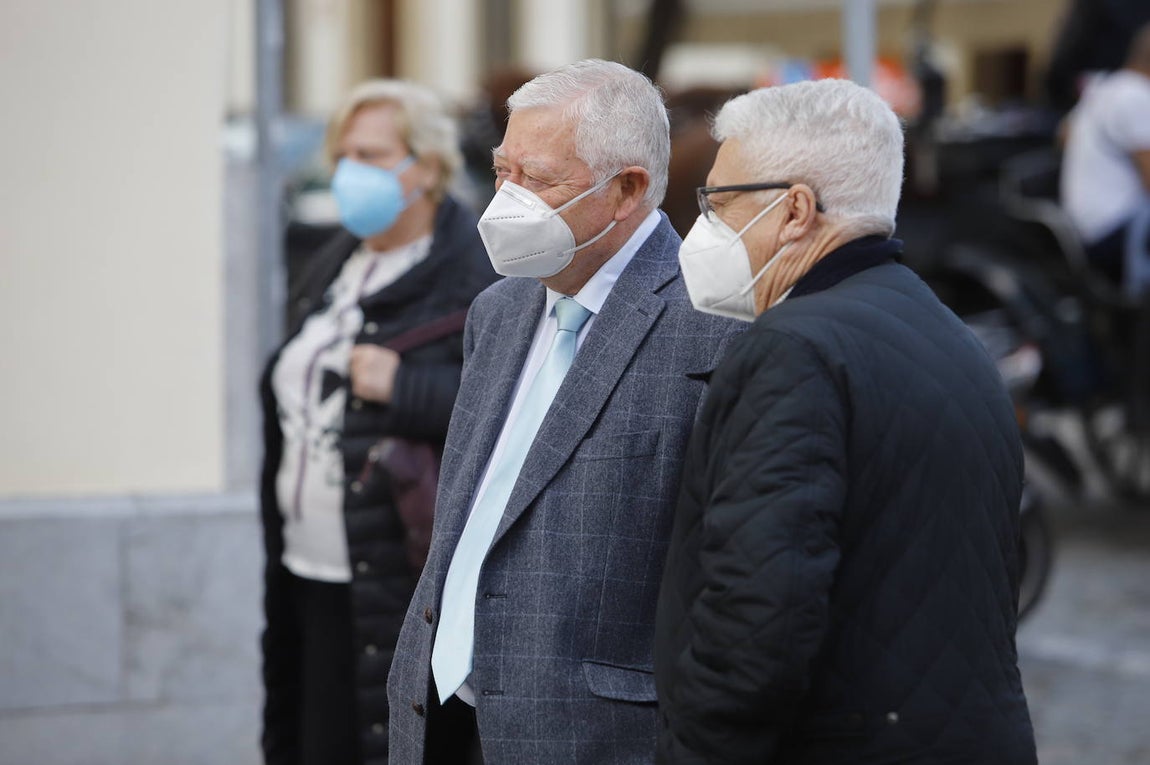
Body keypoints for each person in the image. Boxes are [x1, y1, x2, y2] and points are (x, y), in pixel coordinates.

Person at [654, 79, 1038, 764]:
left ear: (795, 209)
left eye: (717, 201)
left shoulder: (794, 349)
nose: (701, 225)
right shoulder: (948, 336)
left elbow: (756, 620)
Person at [386, 59, 743, 764]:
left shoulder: (714, 324)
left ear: (628, 190)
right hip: (441, 717)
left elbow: (726, 580)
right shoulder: (499, 309)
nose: (507, 200)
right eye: (501, 171)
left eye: (539, 179)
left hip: (594, 735)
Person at [258, 79, 496, 765]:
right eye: (343, 155)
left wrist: (405, 387)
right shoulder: (335, 261)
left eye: (371, 154)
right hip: (307, 565)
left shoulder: (471, 273)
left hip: (399, 575)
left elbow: (507, 411)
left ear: (424, 166)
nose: (349, 172)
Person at [1061, 22, 1150, 291]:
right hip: (1116, 234)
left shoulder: (1103, 87)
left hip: (1085, 230)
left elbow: (1062, 135)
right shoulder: (1136, 95)